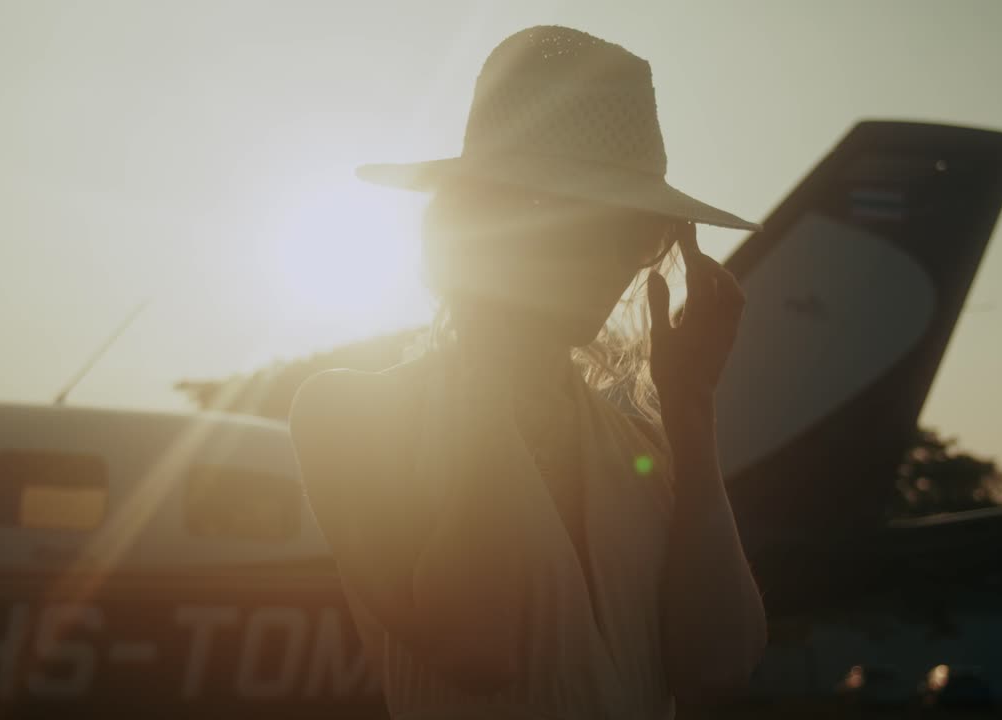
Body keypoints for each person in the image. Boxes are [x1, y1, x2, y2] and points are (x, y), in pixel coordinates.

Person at [289, 25, 767, 720]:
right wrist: (486, 346)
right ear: (484, 221)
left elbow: (718, 668)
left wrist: (691, 409)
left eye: (636, 232)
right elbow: (479, 649)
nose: (610, 259)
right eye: (577, 221)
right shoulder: (353, 415)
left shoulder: (645, 444)